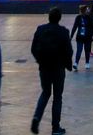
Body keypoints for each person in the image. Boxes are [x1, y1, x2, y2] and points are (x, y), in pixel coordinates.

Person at [30, 7, 73, 135]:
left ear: (49, 17)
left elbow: (33, 48)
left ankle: (37, 118)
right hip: (58, 69)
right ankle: (55, 127)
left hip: (44, 68)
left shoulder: (40, 29)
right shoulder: (63, 31)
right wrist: (67, 64)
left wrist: (40, 61)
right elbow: (69, 51)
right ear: (59, 18)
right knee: (57, 97)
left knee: (45, 93)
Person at [71, 4, 93, 71]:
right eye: (86, 10)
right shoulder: (78, 17)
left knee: (87, 50)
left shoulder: (88, 17)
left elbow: (92, 26)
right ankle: (76, 63)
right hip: (80, 37)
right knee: (79, 50)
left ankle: (87, 62)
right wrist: (71, 36)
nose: (87, 11)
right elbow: (74, 27)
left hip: (87, 37)